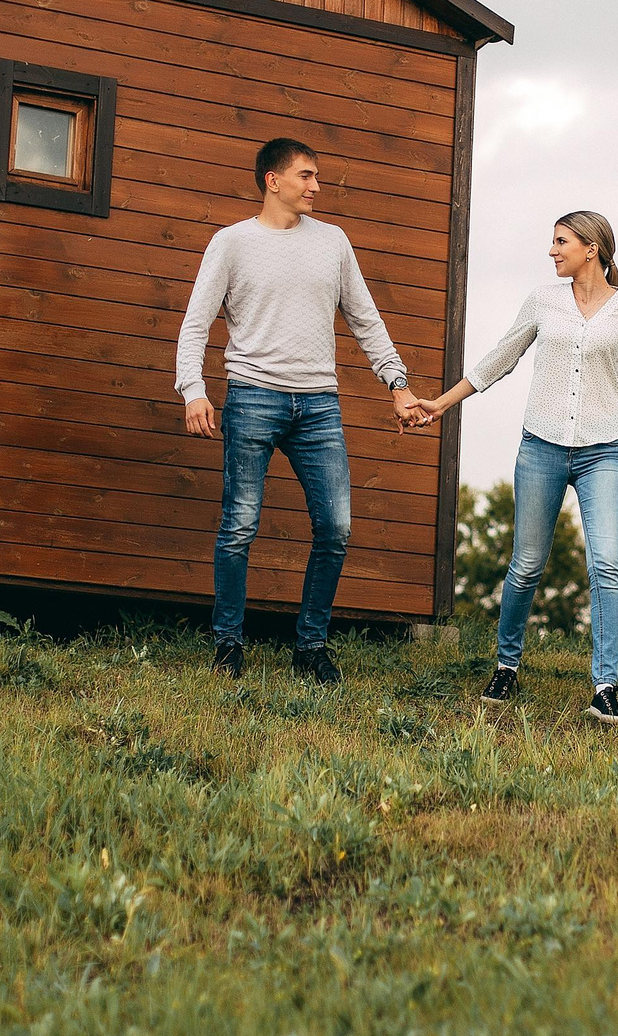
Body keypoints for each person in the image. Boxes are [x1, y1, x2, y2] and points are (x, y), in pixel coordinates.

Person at [176, 137, 430, 682]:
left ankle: (310, 648)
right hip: (251, 396)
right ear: (273, 179)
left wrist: (398, 384)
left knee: (335, 528)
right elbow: (196, 322)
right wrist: (193, 389)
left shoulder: (333, 242)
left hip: (318, 405)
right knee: (240, 526)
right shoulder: (231, 243)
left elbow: (365, 318)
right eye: (307, 176)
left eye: (317, 177)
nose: (317, 187)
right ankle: (227, 645)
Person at [415, 212, 618, 723]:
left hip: (603, 451)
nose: (551, 251)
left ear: (591, 248)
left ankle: (605, 685)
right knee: (526, 565)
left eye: (560, 242)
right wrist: (440, 404)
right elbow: (500, 357)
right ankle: (506, 666)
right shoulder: (543, 301)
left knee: (606, 567)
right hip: (542, 448)